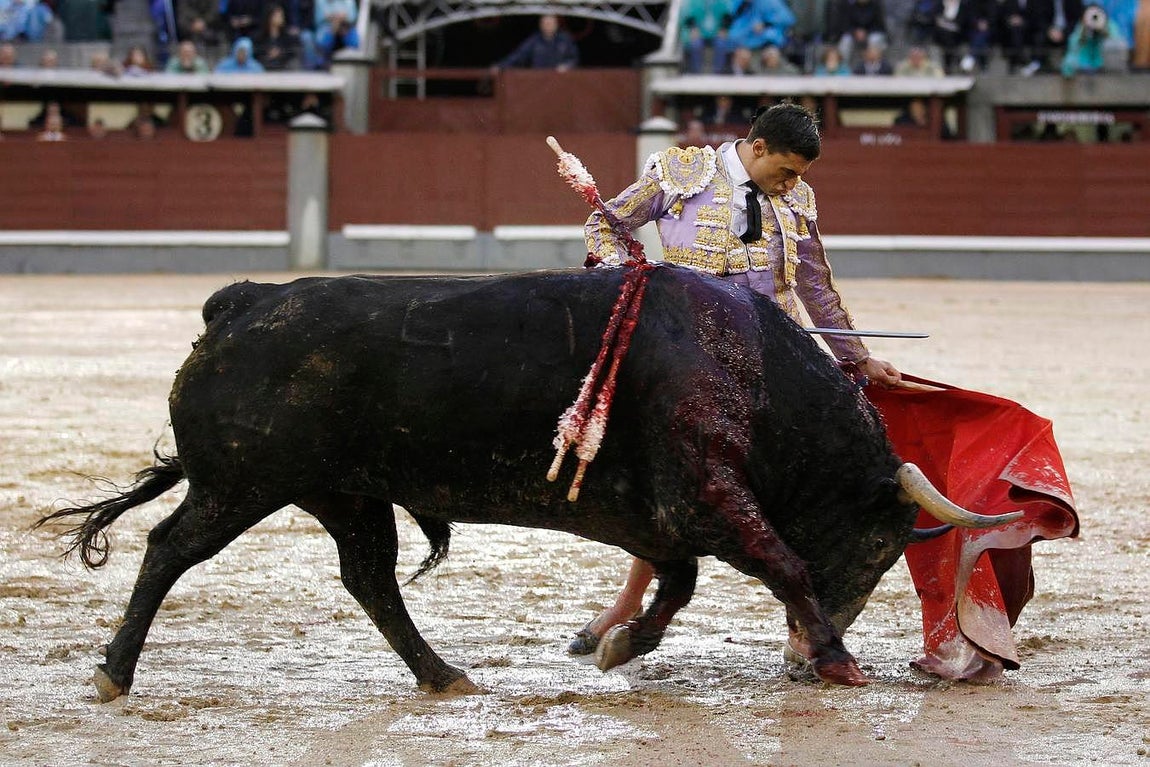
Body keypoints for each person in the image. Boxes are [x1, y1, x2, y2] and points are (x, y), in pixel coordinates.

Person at [575, 103, 903, 657]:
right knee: (678, 480)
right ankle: (629, 603)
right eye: (787, 170)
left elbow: (816, 284)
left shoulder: (798, 196)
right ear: (756, 148)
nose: (794, 183)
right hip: (693, 359)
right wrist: (632, 281)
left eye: (799, 174)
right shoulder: (683, 174)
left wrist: (858, 357)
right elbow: (603, 224)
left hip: (778, 356)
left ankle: (801, 627)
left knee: (792, 486)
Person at [492, 13, 578, 71]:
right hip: (539, 81)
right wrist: (500, 66)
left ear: (556, 25)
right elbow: (518, 56)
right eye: (545, 23)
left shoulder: (564, 40)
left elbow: (574, 58)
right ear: (541, 25)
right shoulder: (534, 41)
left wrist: (566, 66)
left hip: (560, 81)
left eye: (550, 23)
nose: (548, 26)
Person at [1061, 2, 1129, 74]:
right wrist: (1084, 32)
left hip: (1105, 67)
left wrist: (1104, 30)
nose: (1094, 18)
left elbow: (1117, 45)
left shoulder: (1110, 25)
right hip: (1083, 66)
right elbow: (1072, 47)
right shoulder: (1081, 26)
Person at [827, 0, 889, 65]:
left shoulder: (876, 5)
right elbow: (845, 24)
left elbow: (880, 25)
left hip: (871, 33)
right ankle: (844, 67)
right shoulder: (849, 6)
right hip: (853, 34)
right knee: (846, 41)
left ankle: (874, 67)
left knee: (875, 39)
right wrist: (855, 32)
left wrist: (866, 32)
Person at [256, 2, 299, 70]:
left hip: (283, 66)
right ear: (270, 17)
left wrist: (280, 53)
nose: (281, 18)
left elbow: (291, 53)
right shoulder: (260, 37)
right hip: (264, 65)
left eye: (281, 15)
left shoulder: (287, 36)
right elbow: (257, 53)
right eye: (277, 15)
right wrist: (268, 54)